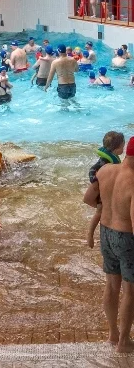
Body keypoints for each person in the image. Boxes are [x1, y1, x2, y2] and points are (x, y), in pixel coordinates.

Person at [83, 135, 134, 353]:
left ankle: (113, 334)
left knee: (112, 286)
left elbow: (88, 199)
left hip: (106, 233)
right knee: (130, 292)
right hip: (126, 239)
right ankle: (124, 342)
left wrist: (107, 206)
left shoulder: (105, 171)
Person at [85, 131, 125, 249]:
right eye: (123, 146)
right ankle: (90, 234)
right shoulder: (104, 160)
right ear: (117, 149)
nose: (124, 148)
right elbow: (92, 170)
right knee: (99, 212)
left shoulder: (112, 158)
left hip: (105, 190)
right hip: (101, 192)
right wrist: (94, 182)